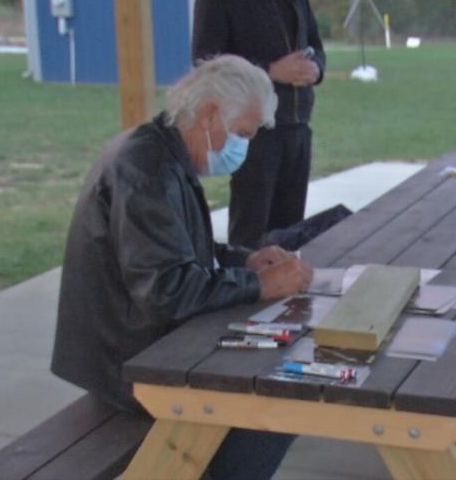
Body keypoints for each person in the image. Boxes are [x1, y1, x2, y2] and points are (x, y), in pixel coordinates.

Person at [51, 55, 313, 479]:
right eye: (242, 133)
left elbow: (179, 249)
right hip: (128, 358)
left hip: (139, 339)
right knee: (275, 402)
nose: (243, 147)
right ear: (210, 113)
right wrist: (259, 285)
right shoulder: (146, 169)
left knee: (276, 375)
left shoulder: (161, 151)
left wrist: (244, 260)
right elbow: (167, 290)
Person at [192, 0, 326, 249]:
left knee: (290, 235)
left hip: (297, 125)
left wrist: (316, 69)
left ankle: (286, 287)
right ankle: (244, 288)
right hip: (254, 130)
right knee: (250, 234)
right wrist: (269, 70)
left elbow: (315, 45)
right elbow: (206, 60)